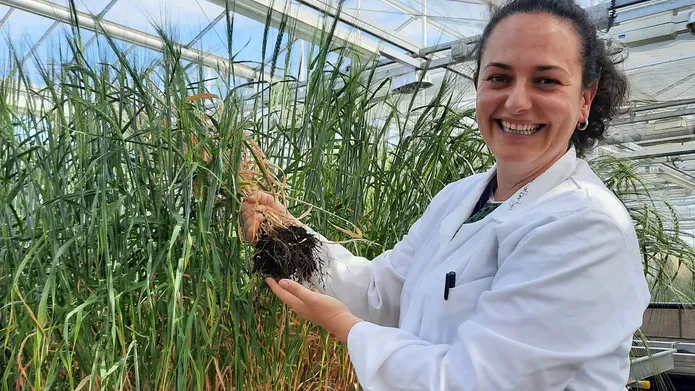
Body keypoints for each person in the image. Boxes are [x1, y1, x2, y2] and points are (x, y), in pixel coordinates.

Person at [241, 0, 651, 389]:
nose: (516, 101)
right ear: (478, 87)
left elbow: (475, 382)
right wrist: (287, 234)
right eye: (499, 77)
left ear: (585, 100)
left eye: (546, 81)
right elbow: (380, 292)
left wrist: (348, 329)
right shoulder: (460, 198)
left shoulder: (585, 226)